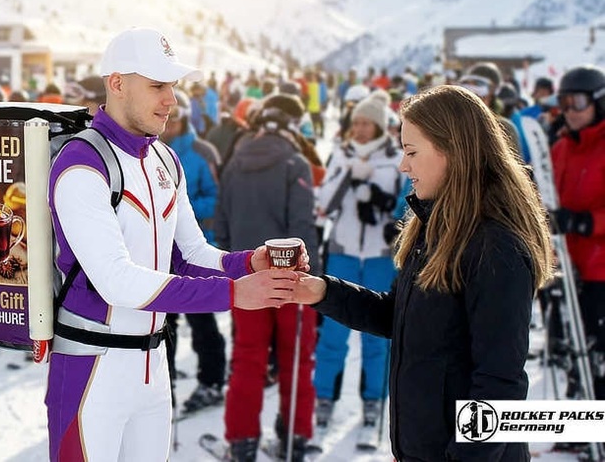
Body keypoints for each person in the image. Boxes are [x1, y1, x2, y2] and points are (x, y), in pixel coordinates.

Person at [46, 27, 306, 462]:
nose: (172, 99)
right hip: (92, 368)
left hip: (153, 368)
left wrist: (251, 263)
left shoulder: (165, 159)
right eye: (157, 86)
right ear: (117, 83)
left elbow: (192, 256)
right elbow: (117, 281)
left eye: (173, 86)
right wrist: (235, 294)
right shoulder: (81, 161)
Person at [287, 85, 553, 461]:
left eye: (411, 151)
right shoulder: (436, 227)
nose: (403, 166)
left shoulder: (496, 248)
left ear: (453, 151)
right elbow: (397, 315)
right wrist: (322, 292)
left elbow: (499, 383)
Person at [214, 93, 320, 462]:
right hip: (293, 279)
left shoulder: (235, 161)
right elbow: (303, 227)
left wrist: (231, 268)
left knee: (247, 357)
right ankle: (294, 439)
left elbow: (221, 221)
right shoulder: (295, 162)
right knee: (296, 359)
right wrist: (312, 282)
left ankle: (242, 442)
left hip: (249, 279)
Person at [312, 90, 400, 437]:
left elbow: (405, 205)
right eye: (357, 122)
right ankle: (324, 397)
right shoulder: (342, 154)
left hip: (380, 254)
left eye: (368, 123)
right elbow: (325, 204)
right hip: (344, 250)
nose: (361, 129)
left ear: (379, 127)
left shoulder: (394, 159)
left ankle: (373, 400)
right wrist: (349, 174)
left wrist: (378, 199)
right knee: (333, 332)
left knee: (377, 335)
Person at [159, 102, 228, 413]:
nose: (168, 123)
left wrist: (177, 210)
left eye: (174, 118)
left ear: (184, 118)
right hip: (159, 252)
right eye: (166, 118)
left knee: (202, 320)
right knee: (163, 324)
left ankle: (212, 381)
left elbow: (218, 198)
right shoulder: (149, 149)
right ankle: (165, 386)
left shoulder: (202, 151)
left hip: (195, 248)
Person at [550, 65, 605, 401]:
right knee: (573, 344)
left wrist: (585, 222)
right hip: (567, 267)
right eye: (564, 102)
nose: (569, 111)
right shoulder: (559, 149)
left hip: (601, 269)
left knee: (598, 350)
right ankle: (580, 425)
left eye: (578, 102)